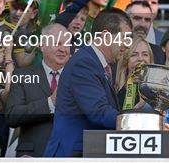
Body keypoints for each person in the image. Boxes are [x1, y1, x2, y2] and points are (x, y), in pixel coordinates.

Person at [43, 9, 132, 157]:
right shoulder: (85, 63)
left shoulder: (94, 62)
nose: (127, 45)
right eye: (125, 38)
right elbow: (98, 112)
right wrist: (138, 124)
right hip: (72, 154)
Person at [6, 24, 71, 157]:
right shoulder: (22, 76)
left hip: (69, 155)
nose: (63, 49)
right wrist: (50, 103)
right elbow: (12, 116)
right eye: (57, 43)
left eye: (67, 44)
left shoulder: (78, 78)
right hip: (32, 155)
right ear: (42, 46)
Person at [115, 36, 154, 108]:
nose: (140, 58)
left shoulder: (158, 91)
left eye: (145, 54)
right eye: (134, 55)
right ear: (126, 61)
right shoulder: (115, 92)